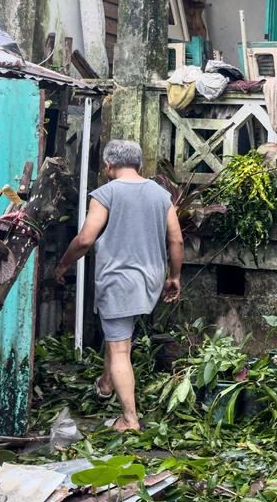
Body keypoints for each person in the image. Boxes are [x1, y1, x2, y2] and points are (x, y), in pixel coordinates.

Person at [55, 140, 184, 432]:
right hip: (150, 280)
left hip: (119, 280)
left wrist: (63, 264)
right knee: (119, 335)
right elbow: (175, 240)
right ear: (139, 164)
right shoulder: (161, 195)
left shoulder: (106, 194)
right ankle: (105, 384)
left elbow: (85, 239)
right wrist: (174, 277)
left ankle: (130, 419)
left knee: (120, 347)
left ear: (109, 165)